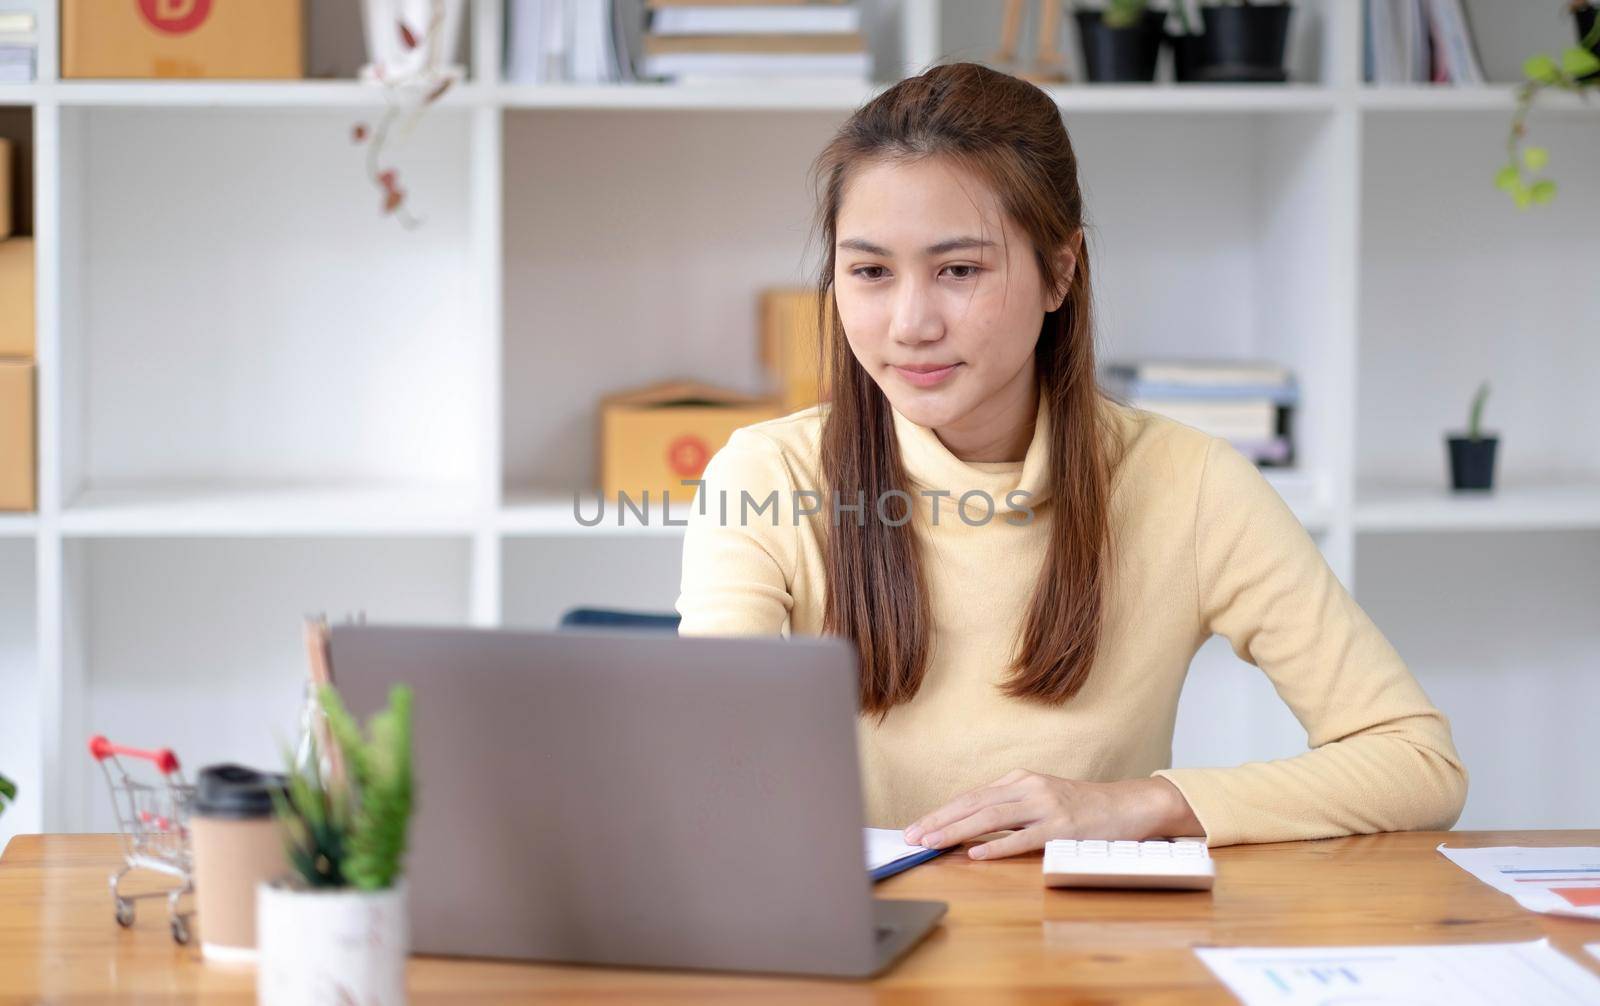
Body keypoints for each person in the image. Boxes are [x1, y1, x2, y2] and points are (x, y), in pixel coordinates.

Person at [674, 62, 1466, 859]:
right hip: (859, 949)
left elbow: (1416, 761)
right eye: (871, 271)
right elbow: (702, 761)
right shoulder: (765, 475)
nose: (909, 323)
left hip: (1086, 952)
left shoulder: (1187, 484)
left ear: (1061, 269)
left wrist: (1144, 806)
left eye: (959, 270)